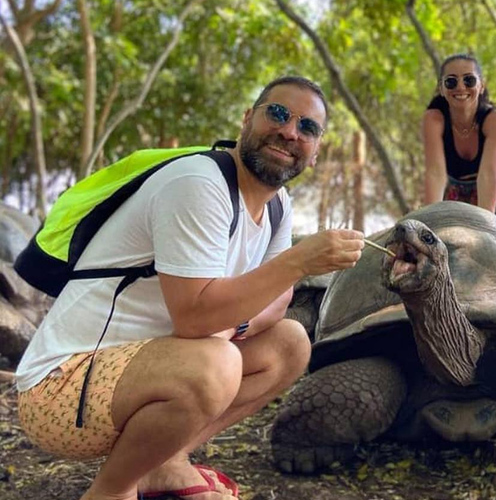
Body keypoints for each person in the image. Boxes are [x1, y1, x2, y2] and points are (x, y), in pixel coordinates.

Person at [14, 76, 365, 500]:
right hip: (62, 387)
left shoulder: (277, 205)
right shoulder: (199, 184)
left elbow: (280, 301)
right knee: (215, 364)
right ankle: (112, 490)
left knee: (290, 343)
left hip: (147, 373)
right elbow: (195, 317)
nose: (290, 131)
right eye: (278, 113)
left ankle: (164, 462)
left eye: (307, 127)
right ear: (247, 119)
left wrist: (229, 328)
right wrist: (300, 260)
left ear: (314, 152)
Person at [422, 53, 496, 227]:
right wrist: (429, 224)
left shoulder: (495, 120)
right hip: (458, 190)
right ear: (442, 88)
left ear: (481, 86)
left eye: (469, 80)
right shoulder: (434, 119)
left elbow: (488, 175)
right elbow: (435, 173)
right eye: (451, 81)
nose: (460, 87)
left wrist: (485, 228)